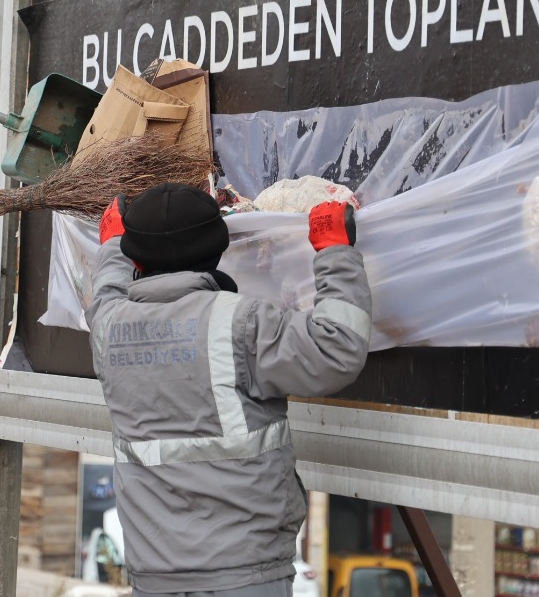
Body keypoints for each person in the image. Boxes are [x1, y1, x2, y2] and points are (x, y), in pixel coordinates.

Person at [86, 182, 373, 597]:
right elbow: (337, 348)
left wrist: (113, 246)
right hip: (244, 574)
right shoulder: (241, 323)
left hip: (153, 577)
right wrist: (335, 252)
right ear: (217, 250)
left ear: (136, 258)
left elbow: (106, 294)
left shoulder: (109, 329)